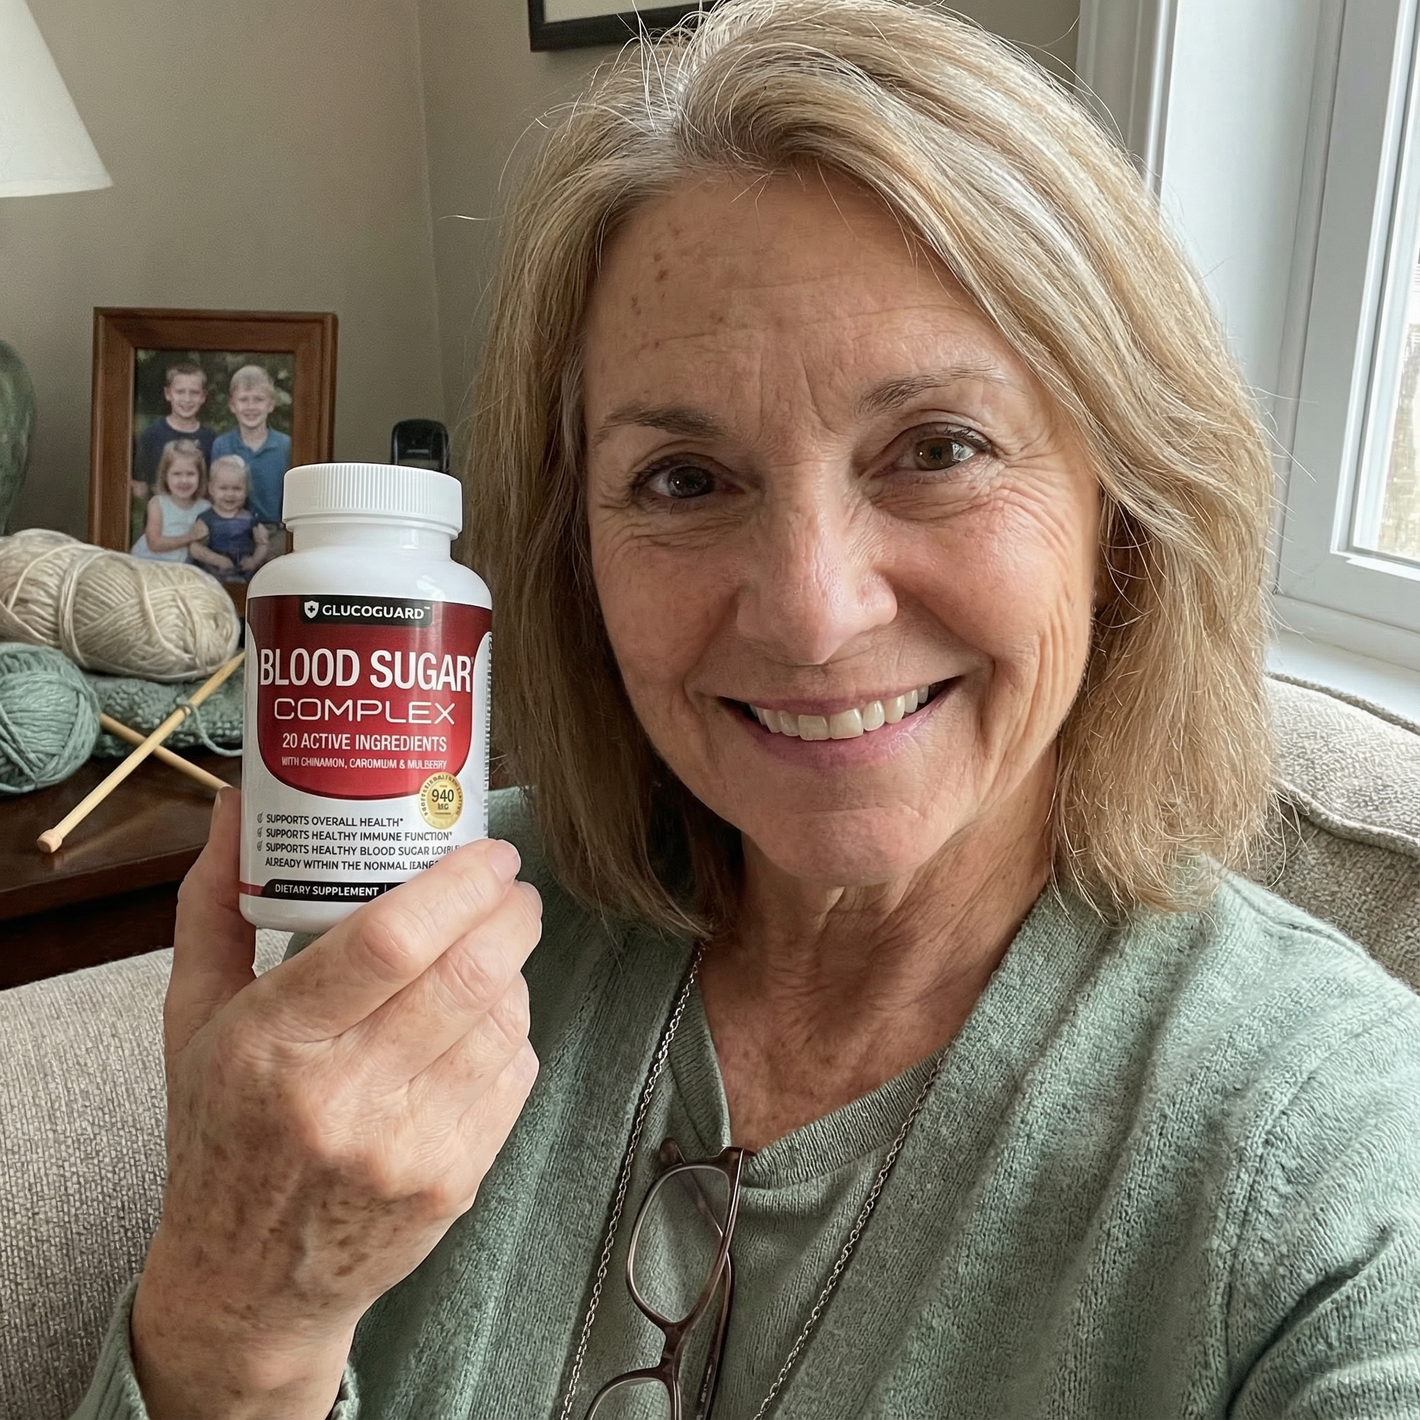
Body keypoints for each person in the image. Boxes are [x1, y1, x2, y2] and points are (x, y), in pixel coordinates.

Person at [79, 2, 1420, 1417]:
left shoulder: (1332, 1153)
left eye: (938, 449)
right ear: (575, 552)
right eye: (684, 480)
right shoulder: (424, 937)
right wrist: (235, 1321)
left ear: (1124, 511)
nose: (810, 612)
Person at [209, 364, 291, 525]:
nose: (251, 407)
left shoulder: (286, 446)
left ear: (270, 405)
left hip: (277, 529)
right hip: (232, 529)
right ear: (232, 405)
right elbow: (215, 495)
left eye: (258, 400)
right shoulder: (221, 445)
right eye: (243, 400)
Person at [131, 362, 216, 500]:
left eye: (194, 393)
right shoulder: (151, 435)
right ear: (168, 394)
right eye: (180, 392)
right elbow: (140, 485)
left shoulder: (210, 438)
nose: (187, 399)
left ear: (203, 396)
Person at [188, 454, 271, 583]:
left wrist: (254, 561)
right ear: (211, 489)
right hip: (214, 577)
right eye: (223, 488)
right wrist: (217, 560)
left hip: (244, 576)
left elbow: (263, 544)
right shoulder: (206, 519)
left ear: (246, 490)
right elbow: (194, 548)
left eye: (237, 489)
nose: (230, 494)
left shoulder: (250, 519)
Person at [128, 439, 210, 564]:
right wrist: (190, 537)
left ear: (200, 476)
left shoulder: (205, 507)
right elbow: (154, 544)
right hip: (149, 562)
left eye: (190, 474)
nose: (184, 480)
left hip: (182, 567)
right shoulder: (158, 504)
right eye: (177, 474)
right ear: (165, 476)